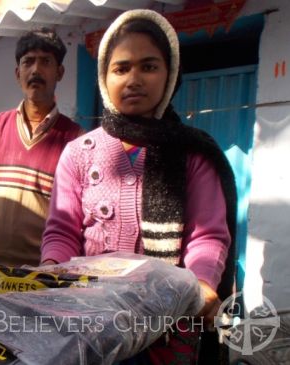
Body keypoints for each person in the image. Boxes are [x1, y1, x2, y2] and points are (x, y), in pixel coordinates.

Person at [41, 10, 237, 364]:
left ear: (170, 74)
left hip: (167, 324)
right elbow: (62, 231)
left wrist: (202, 285)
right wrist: (50, 274)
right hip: (89, 321)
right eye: (121, 68)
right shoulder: (79, 154)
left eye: (148, 67)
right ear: (104, 77)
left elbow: (207, 236)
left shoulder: (193, 152)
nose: (134, 79)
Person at [0, 28, 82, 267]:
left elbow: (73, 222)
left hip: (42, 277)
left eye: (46, 62)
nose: (36, 70)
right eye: (28, 62)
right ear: (18, 73)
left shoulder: (76, 140)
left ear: (60, 72)